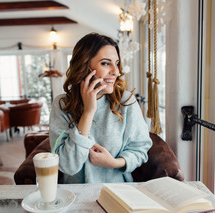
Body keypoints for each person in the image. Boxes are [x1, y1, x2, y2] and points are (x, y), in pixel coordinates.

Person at [49, 32, 152, 184]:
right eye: (105, 63)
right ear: (84, 67)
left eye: (116, 63)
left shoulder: (126, 102)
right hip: (76, 194)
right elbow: (67, 166)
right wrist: (88, 112)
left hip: (118, 192)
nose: (115, 71)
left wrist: (113, 163)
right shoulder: (62, 105)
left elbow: (140, 149)